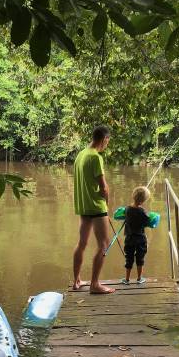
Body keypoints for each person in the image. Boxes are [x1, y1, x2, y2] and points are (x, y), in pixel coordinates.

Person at [72, 125, 115, 294]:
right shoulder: (96, 157)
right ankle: (95, 284)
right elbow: (104, 188)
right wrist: (107, 205)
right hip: (96, 206)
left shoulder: (81, 155)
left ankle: (76, 281)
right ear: (104, 139)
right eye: (107, 141)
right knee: (103, 244)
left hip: (83, 206)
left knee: (82, 243)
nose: (107, 145)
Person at [121, 186, 151, 285]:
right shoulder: (142, 211)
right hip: (140, 239)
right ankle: (139, 278)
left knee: (129, 258)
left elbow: (125, 216)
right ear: (143, 201)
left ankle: (127, 279)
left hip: (129, 238)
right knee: (140, 258)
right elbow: (147, 221)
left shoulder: (127, 209)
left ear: (133, 196)